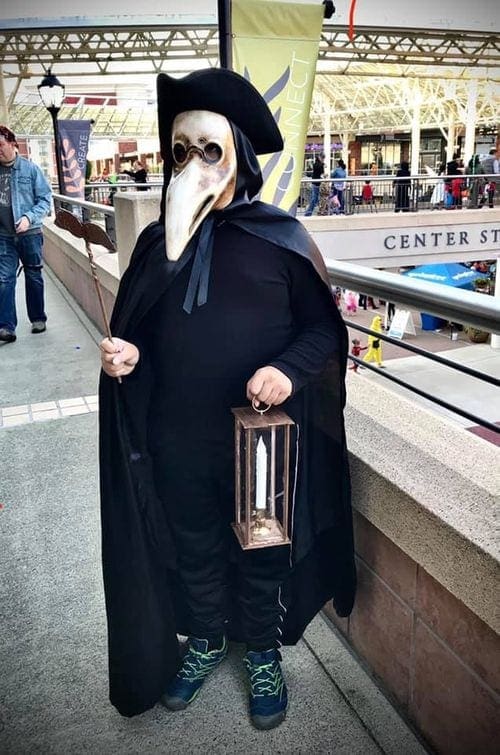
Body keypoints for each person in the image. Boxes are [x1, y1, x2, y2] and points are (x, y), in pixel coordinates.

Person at [98, 69, 356, 728]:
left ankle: (262, 650)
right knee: (193, 539)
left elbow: (323, 330)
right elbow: (144, 328)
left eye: (207, 151)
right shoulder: (158, 242)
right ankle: (208, 637)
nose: (191, 167)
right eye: (179, 153)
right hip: (177, 432)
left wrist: (287, 371)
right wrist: (130, 354)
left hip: (260, 433)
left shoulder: (283, 238)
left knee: (261, 546)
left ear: (237, 152)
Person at [0, 125, 51, 343]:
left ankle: (38, 318)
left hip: (29, 233)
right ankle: (6, 327)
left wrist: (29, 217)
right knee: (4, 279)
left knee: (33, 275)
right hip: (3, 235)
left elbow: (45, 200)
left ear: (12, 143)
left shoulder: (31, 170)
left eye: (0, 145)